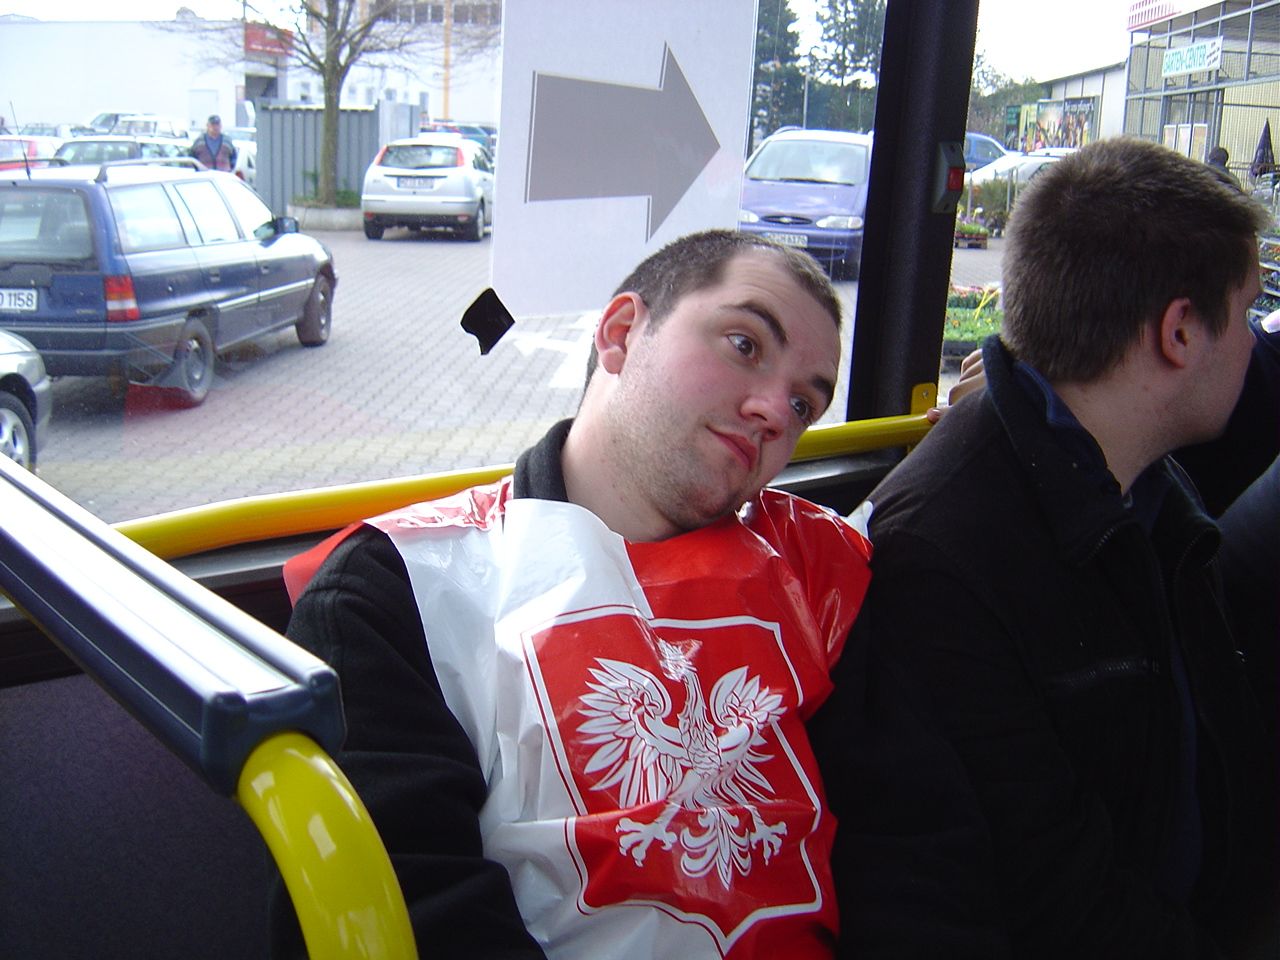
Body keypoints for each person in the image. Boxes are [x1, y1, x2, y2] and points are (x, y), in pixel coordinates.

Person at [272, 230, 874, 958]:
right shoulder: (400, 591)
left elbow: (910, 846)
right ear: (621, 334)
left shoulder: (817, 574)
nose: (777, 412)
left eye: (805, 405)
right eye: (744, 345)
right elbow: (415, 915)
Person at [813, 138, 1278, 957]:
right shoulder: (940, 563)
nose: (1252, 343)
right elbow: (1058, 901)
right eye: (1245, 315)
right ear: (1178, 332)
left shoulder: (1147, 482)